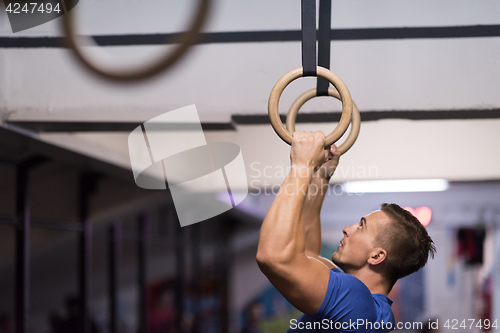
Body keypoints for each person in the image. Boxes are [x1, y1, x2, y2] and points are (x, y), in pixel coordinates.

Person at [256, 131, 436, 332]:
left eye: (361, 226)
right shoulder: (379, 312)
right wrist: (321, 178)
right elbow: (307, 256)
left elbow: (272, 256)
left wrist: (301, 167)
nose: (347, 229)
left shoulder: (355, 299)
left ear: (377, 256)